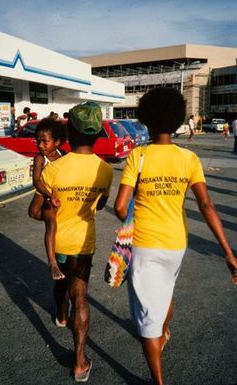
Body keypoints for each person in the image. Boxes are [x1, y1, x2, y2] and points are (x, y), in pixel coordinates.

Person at [114, 87, 237, 385]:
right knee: (165, 289)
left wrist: (134, 212)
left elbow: (119, 208)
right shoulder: (188, 158)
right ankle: (164, 332)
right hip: (176, 243)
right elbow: (207, 205)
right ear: (177, 119)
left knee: (146, 324)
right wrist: (228, 252)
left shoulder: (138, 156)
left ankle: (158, 373)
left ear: (146, 120)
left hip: (144, 244)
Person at [40, 101, 113, 382]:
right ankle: (80, 362)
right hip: (84, 242)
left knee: (61, 283)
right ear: (97, 134)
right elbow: (102, 204)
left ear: (69, 130)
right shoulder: (104, 170)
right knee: (80, 294)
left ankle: (60, 315)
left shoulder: (55, 168)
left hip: (58, 240)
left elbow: (39, 210)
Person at [28, 118, 67, 281]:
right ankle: (53, 263)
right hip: (43, 194)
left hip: (53, 198)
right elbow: (36, 181)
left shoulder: (64, 156)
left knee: (52, 224)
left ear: (57, 142)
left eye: (45, 141)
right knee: (33, 213)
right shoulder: (39, 158)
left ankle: (53, 264)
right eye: (38, 141)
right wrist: (49, 196)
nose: (40, 145)